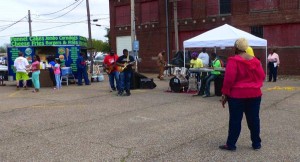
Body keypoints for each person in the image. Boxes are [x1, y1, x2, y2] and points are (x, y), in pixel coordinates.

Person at [219, 38, 265, 151]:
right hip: (254, 94)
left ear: (236, 48)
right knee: (254, 119)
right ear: (246, 48)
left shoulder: (233, 61)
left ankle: (231, 144)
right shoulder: (256, 61)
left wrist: (225, 93)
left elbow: (229, 80)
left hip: (237, 95)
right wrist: (253, 83)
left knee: (235, 120)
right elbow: (262, 76)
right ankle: (256, 143)